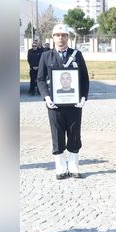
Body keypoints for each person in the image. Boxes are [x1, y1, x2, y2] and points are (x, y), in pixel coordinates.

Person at [37, 24, 89, 180]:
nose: (61, 38)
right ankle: (60, 166)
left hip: (74, 104)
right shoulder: (46, 56)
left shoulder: (77, 55)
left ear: (68, 37)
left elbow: (84, 78)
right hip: (55, 105)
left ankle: (73, 165)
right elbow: (40, 79)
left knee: (74, 133)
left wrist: (83, 97)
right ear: (53, 37)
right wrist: (46, 96)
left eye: (64, 35)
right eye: (57, 35)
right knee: (57, 134)